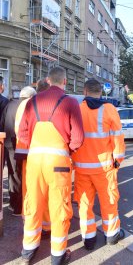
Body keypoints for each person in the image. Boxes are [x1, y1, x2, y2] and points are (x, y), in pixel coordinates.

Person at [18, 67, 84, 265]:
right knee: (59, 207)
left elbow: (22, 134)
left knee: (33, 204)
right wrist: (67, 151)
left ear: (48, 80)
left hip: (35, 162)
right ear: (65, 82)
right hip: (58, 164)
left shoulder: (32, 102)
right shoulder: (71, 102)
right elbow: (78, 138)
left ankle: (28, 251)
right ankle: (58, 255)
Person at [71, 78, 126, 250]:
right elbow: (117, 137)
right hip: (104, 168)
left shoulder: (78, 110)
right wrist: (118, 160)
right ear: (101, 92)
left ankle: (89, 238)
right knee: (108, 201)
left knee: (85, 203)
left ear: (85, 92)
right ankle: (111, 235)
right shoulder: (109, 109)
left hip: (81, 167)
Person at [15, 78, 51, 236]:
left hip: (28, 153)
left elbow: (20, 130)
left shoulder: (26, 104)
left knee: (30, 191)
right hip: (41, 153)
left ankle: (30, 223)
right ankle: (45, 225)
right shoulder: (38, 103)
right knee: (44, 192)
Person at [0, 86, 36, 216]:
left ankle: (15, 205)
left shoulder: (9, 105)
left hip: (10, 145)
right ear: (31, 96)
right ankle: (25, 205)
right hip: (27, 146)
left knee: (13, 175)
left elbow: (2, 124)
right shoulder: (31, 105)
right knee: (27, 175)